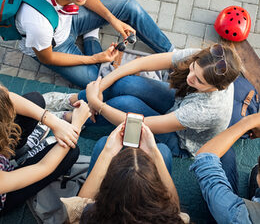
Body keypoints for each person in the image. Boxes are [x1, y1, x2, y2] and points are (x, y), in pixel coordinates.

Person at [44, 43, 241, 192]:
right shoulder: (205, 60)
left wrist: (98, 105)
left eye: (198, 80)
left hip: (182, 141)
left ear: (216, 87)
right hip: (180, 103)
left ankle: (71, 118)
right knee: (127, 83)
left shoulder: (207, 109)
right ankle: (72, 101)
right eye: (192, 70)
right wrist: (100, 88)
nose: (190, 77)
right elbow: (142, 63)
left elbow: (139, 125)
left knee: (125, 105)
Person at [15, 0, 173, 88]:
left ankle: (174, 55)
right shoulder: (38, 23)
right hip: (56, 48)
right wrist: (93, 58)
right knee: (103, 83)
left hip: (69, 21)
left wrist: (113, 20)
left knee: (129, 6)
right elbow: (47, 58)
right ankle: (91, 38)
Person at [61, 123, 190, 224]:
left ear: (106, 186)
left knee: (103, 143)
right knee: (163, 151)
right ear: (155, 190)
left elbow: (81, 203)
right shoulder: (170, 219)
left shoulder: (90, 215)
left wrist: (108, 152)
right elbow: (175, 209)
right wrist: (154, 152)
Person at [0, 85, 90, 212]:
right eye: (7, 124)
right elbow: (43, 167)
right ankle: (22, 160)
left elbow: (7, 98)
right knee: (70, 152)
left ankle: (16, 152)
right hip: (4, 190)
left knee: (35, 99)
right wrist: (76, 125)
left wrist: (53, 121)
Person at [190, 113, 260, 224]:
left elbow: (204, 158)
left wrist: (249, 121)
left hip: (240, 217)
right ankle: (256, 198)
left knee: (222, 152)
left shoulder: (238, 216)